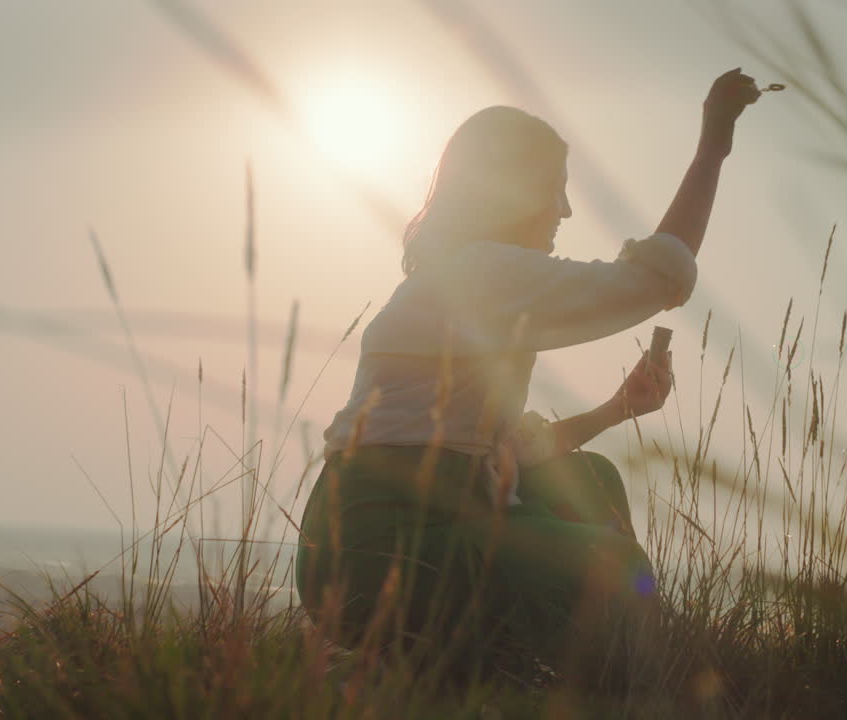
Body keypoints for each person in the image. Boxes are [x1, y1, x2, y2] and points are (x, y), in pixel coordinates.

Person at [294, 68, 761, 690]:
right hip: (374, 553)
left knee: (591, 478)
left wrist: (616, 409)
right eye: (554, 189)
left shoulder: (467, 278)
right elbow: (654, 281)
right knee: (607, 562)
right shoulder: (481, 275)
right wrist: (711, 150)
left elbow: (502, 455)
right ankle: (641, 691)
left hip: (417, 529)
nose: (566, 209)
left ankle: (528, 672)